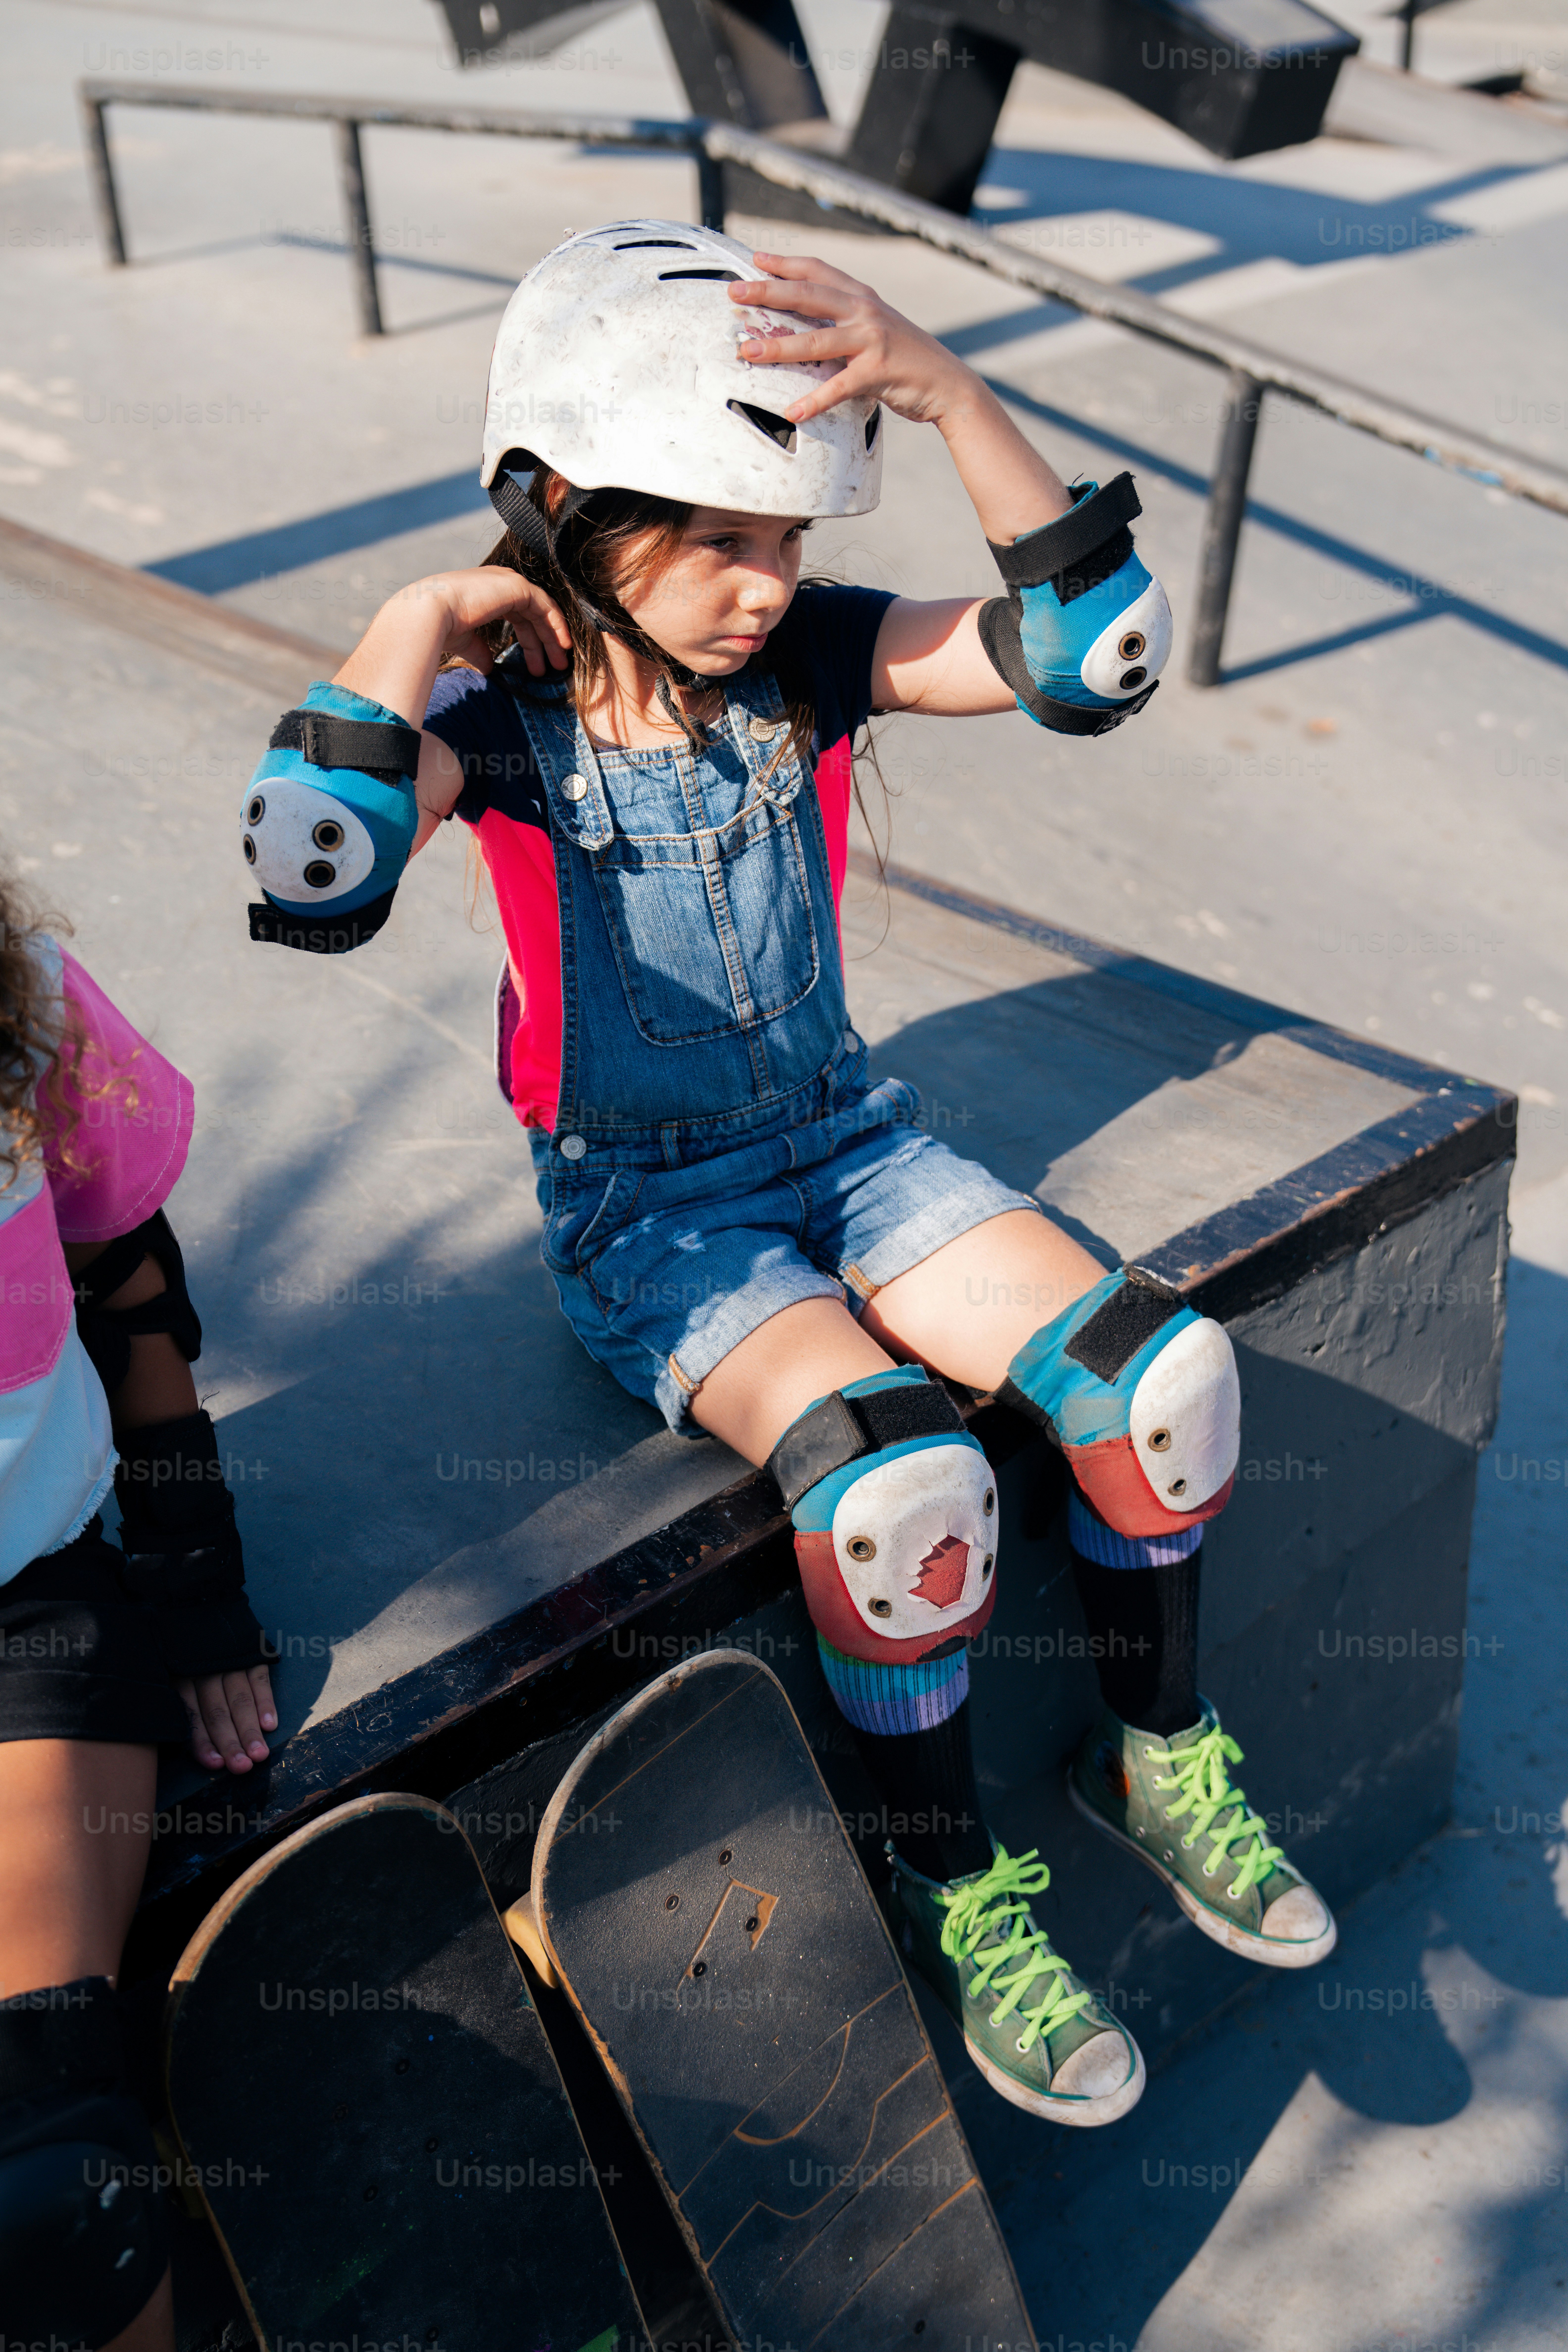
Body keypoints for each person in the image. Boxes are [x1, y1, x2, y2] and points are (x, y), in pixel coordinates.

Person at [240, 222, 1335, 2129]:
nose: (769, 589)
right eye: (724, 538)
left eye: (793, 542)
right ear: (571, 506)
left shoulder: (814, 661)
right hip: (654, 1220)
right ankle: (952, 1883)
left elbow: (1096, 659)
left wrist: (939, 384)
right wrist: (428, 612)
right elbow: (309, 867)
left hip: (852, 1144)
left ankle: (1155, 1758)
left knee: (1165, 1386)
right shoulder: (494, 732)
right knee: (902, 1496)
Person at [0, 872, 275, 2352]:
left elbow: (127, 1270)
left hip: (23, 1622)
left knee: (44, 2160)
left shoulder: (18, 993)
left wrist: (193, 1573)